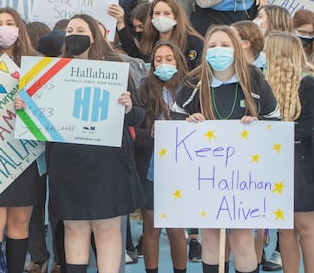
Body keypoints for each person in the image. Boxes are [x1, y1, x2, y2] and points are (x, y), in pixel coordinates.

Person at [16, 14, 144, 273]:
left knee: (107, 228)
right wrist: (25, 109)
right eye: (70, 30)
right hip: (68, 163)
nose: (74, 34)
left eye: (80, 29)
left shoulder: (116, 68)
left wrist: (128, 107)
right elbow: (42, 120)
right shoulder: (52, 72)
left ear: (94, 35)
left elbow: (138, 116)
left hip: (108, 164)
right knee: (74, 226)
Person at [171, 25, 280, 273]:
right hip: (206, 173)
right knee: (210, 237)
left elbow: (275, 119)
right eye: (212, 46)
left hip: (244, 176)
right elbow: (175, 118)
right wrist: (189, 122)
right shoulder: (194, 81)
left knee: (241, 238)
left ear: (237, 49)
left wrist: (259, 125)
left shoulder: (253, 78)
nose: (218, 50)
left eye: (224, 45)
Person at [0, 8, 39, 273]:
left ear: (20, 28)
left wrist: (31, 106)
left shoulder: (37, 64)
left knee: (19, 223)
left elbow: (50, 110)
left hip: (25, 155)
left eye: (10, 23)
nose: (4, 28)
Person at [135, 42, 189, 273]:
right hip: (152, 170)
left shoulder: (190, 88)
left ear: (178, 61)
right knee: (152, 228)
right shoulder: (145, 88)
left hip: (181, 171)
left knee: (177, 230)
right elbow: (134, 129)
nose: (164, 63)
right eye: (158, 59)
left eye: (169, 59)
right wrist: (150, 134)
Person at [264, 33, 314, 273]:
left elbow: (305, 127)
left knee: (305, 227)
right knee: (283, 228)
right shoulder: (263, 84)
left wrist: (271, 136)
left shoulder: (308, 83)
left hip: (300, 162)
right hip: (273, 162)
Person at [125, 0, 204, 70]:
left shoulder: (194, 42)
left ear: (176, 16)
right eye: (157, 13)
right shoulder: (149, 39)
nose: (161, 17)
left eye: (167, 13)